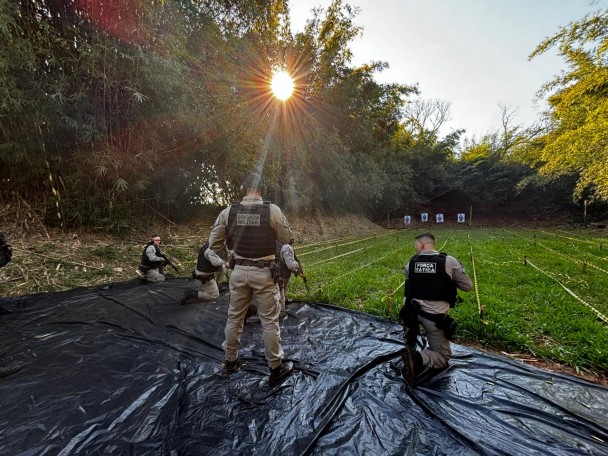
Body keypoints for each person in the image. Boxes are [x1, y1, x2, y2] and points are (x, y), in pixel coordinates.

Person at [207, 172, 294, 386]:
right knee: (269, 322)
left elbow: (213, 243)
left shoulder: (228, 212)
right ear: (262, 188)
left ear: (242, 188)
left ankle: (230, 361)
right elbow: (286, 239)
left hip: (238, 272)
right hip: (264, 273)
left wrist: (229, 258)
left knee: (234, 317)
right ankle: (275, 367)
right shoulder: (272, 211)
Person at [399, 232, 472, 387]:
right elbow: (467, 286)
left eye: (415, 245)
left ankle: (410, 336)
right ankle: (417, 358)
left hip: (412, 315)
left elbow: (409, 287)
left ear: (421, 244)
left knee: (410, 317)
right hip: (433, 319)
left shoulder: (410, 264)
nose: (415, 248)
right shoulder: (449, 262)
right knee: (443, 357)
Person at [276, 238, 305, 317]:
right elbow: (291, 265)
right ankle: (280, 312)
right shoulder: (286, 247)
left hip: (269, 273)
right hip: (282, 275)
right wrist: (298, 270)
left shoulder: (271, 242)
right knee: (281, 290)